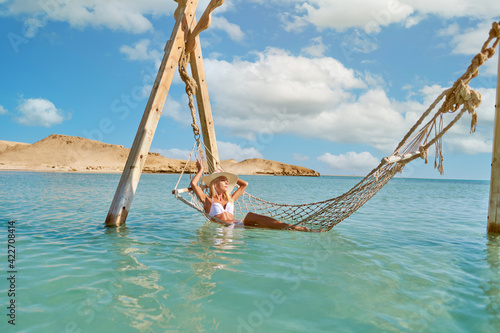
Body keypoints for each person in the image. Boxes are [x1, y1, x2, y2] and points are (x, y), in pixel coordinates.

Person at [190, 159, 311, 231]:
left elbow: (244, 184)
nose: (227, 182)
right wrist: (200, 170)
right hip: (225, 228)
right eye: (223, 180)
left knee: (251, 216)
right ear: (214, 183)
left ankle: (293, 227)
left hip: (238, 224)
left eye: (228, 181)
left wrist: (227, 174)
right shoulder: (207, 200)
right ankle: (291, 228)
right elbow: (194, 184)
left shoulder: (230, 198)